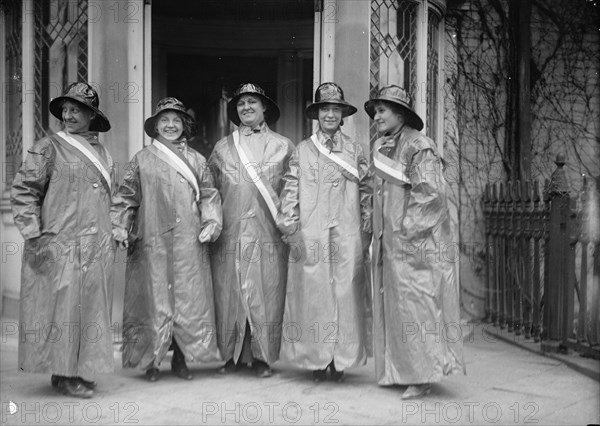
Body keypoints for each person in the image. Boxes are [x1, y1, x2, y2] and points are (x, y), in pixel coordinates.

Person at [11, 82, 115, 398]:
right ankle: (66, 374)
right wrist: (33, 232)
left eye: (77, 110)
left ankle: (72, 370)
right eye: (66, 110)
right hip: (60, 243)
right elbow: (24, 190)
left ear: (91, 115)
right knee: (63, 311)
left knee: (88, 310)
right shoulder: (48, 147)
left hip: (95, 246)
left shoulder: (104, 153)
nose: (69, 115)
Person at [111, 97, 222, 382]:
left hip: (189, 240)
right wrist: (120, 226)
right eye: (165, 121)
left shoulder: (198, 160)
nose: (171, 125)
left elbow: (210, 194)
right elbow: (126, 197)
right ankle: (150, 361)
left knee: (188, 301)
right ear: (156, 126)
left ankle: (182, 360)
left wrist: (211, 222)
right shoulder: (141, 159)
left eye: (176, 120)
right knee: (153, 299)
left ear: (185, 125)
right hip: (152, 240)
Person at [365, 85, 465, 399]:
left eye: (382, 110)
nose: (377, 116)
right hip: (390, 241)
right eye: (376, 111)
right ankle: (402, 369)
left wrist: (407, 231)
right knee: (398, 306)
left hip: (415, 243)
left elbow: (431, 194)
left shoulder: (420, 145)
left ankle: (422, 376)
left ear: (400, 113)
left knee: (418, 307)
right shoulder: (381, 145)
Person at [277, 82, 372, 382]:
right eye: (324, 109)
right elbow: (290, 190)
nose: (330, 114)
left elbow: (367, 193)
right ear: (316, 114)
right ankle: (317, 359)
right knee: (314, 294)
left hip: (347, 231)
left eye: (335, 109)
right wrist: (290, 227)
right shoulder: (303, 151)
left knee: (346, 292)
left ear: (343, 115)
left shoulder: (356, 150)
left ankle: (341, 360)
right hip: (312, 232)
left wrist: (367, 229)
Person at [208, 83, 294, 378]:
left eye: (252, 102)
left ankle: (262, 357)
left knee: (265, 293)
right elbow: (210, 189)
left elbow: (293, 191)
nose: (246, 107)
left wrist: (291, 226)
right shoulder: (222, 147)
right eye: (241, 103)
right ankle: (230, 356)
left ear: (264, 107)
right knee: (231, 294)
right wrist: (211, 221)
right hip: (231, 231)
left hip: (267, 233)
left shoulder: (284, 146)